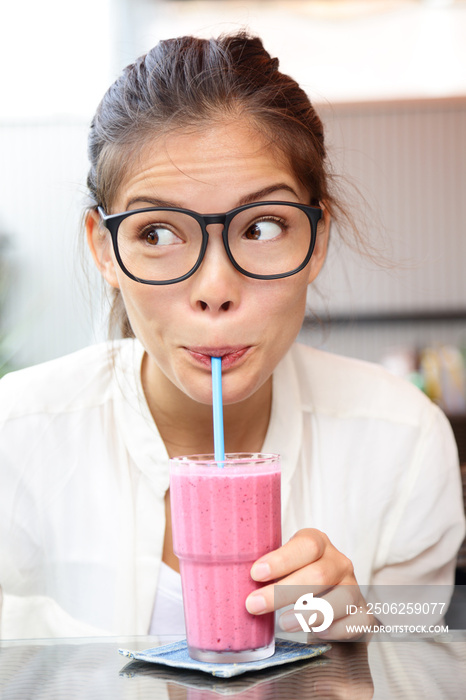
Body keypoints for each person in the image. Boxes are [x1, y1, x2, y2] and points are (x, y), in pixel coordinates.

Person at [0, 32, 464, 641]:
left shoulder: (401, 445)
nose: (215, 288)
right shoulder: (17, 442)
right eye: (158, 234)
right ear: (104, 249)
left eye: (262, 226)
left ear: (318, 239)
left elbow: (423, 638)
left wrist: (366, 641)